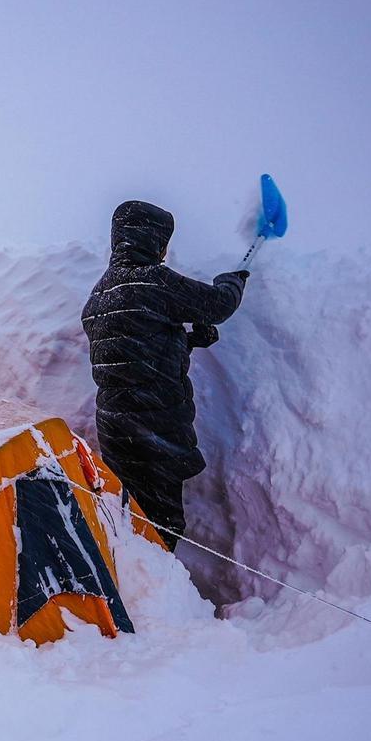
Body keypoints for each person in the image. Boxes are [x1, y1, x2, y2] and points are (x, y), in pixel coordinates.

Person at [81, 200, 248, 551]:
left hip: (115, 429)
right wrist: (233, 280)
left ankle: (128, 576)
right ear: (152, 240)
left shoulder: (100, 295)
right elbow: (216, 305)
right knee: (162, 524)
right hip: (152, 430)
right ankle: (151, 595)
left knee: (129, 516)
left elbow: (133, 355)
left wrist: (186, 341)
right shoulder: (152, 281)